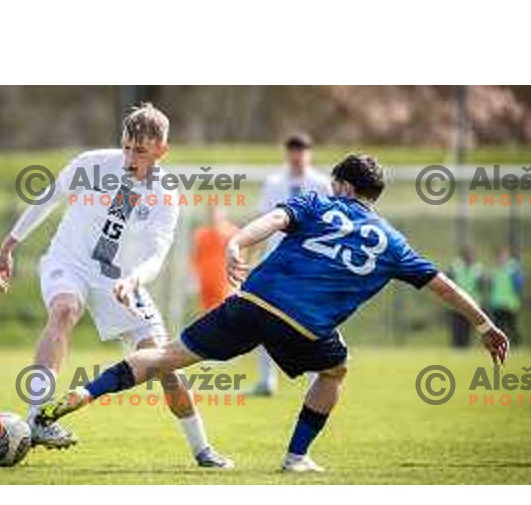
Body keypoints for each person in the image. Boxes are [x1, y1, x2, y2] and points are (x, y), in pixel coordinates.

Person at [35, 154, 509, 473]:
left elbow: (274, 221)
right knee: (335, 369)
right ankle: (296, 457)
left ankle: (78, 394)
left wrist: (238, 242)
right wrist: (484, 324)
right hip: (305, 325)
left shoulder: (315, 202)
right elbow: (441, 285)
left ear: (342, 185)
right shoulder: (394, 242)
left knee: (165, 357)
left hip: (250, 301)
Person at [0, 102, 232, 468]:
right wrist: (11, 242)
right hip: (68, 262)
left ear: (161, 151)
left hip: (120, 280)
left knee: (165, 363)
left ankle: (203, 449)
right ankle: (34, 420)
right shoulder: (91, 164)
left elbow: (156, 254)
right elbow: (49, 196)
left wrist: (134, 279)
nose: (129, 157)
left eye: (140, 150)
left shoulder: (165, 194)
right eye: (126, 147)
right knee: (64, 310)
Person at [249, 133, 332, 395]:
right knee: (260, 318)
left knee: (309, 324)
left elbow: (331, 225)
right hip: (276, 265)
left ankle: (313, 383)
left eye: (302, 150)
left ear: (309, 153)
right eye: (293, 150)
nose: (297, 155)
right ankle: (266, 381)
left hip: (309, 267)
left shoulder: (321, 183)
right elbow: (263, 221)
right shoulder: (274, 182)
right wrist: (254, 259)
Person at [191, 206, 239, 311]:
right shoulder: (201, 234)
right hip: (206, 283)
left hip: (225, 283)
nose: (213, 216)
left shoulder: (232, 234)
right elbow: (195, 258)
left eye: (216, 212)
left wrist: (235, 282)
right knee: (207, 313)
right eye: (211, 213)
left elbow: (240, 259)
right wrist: (195, 278)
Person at [447, 248, 485, 348]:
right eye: (468, 255)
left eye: (472, 255)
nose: (470, 258)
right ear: (463, 257)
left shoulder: (478, 268)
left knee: (468, 326)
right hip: (457, 302)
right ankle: (457, 346)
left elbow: (482, 285)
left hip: (472, 303)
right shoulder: (456, 267)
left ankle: (465, 346)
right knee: (457, 326)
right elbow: (448, 279)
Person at [489, 247, 524, 346]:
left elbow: (519, 285)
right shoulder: (495, 269)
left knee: (512, 326)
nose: (500, 259)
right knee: (499, 327)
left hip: (510, 303)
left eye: (502, 256)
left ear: (506, 256)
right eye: (498, 257)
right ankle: (501, 345)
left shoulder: (513, 268)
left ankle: (515, 345)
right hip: (497, 303)